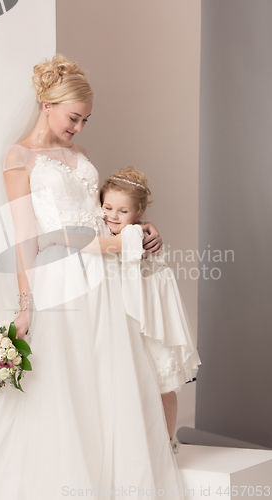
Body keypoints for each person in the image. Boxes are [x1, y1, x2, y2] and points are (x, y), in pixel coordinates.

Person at [0, 55, 185, 499]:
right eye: (74, 118)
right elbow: (25, 237)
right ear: (47, 104)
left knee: (107, 382)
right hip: (61, 281)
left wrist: (138, 228)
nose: (79, 129)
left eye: (86, 120)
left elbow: (101, 217)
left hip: (106, 278)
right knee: (65, 385)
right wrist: (26, 306)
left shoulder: (79, 155)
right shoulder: (18, 157)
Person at [91, 166, 201, 451]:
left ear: (138, 214)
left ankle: (168, 439)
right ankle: (146, 437)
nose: (112, 216)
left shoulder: (133, 235)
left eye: (122, 211)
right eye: (107, 207)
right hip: (137, 313)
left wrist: (60, 240)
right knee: (143, 379)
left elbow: (98, 246)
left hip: (152, 317)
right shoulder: (125, 226)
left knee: (163, 381)